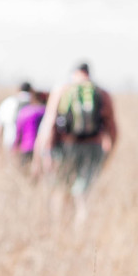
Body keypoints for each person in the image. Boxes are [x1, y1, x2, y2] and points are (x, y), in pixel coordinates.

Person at [35, 63, 117, 213]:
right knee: (83, 195)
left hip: (65, 147)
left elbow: (50, 123)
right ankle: (82, 230)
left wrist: (46, 153)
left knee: (61, 191)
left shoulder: (62, 90)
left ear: (74, 73)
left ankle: (61, 229)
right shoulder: (101, 93)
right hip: (93, 148)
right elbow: (112, 129)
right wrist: (107, 155)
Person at [0, 82, 37, 166]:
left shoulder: (8, 102)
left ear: (18, 90)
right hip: (31, 148)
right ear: (32, 90)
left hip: (10, 145)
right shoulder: (37, 103)